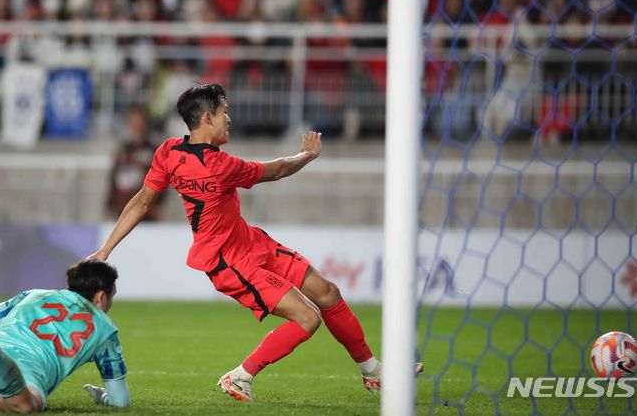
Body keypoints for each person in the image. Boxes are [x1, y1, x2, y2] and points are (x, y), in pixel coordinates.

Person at [87, 83, 422, 402]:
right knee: (308, 318)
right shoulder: (221, 165)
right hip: (229, 261)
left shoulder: (169, 151)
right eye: (223, 112)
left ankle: (373, 371)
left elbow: (142, 201)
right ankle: (241, 376)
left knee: (327, 293)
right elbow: (276, 170)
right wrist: (306, 155)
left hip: (251, 243)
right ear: (207, 119)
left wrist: (105, 250)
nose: (228, 118)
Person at [0, 260, 129, 413]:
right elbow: (120, 401)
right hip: (23, 368)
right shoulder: (105, 331)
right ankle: (1, 373)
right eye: (112, 296)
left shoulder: (32, 295)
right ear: (101, 297)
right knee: (26, 405)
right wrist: (103, 397)